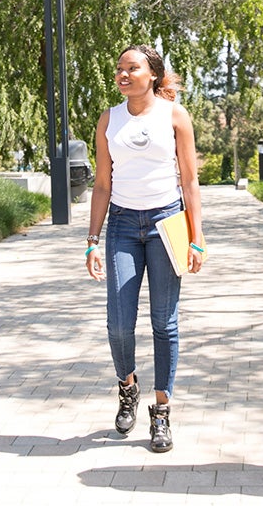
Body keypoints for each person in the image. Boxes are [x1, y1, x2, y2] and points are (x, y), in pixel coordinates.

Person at [85, 44, 205, 453]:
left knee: (163, 323)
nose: (122, 74)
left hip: (166, 222)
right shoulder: (108, 119)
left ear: (152, 73)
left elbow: (189, 180)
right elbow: (102, 183)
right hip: (121, 223)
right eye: (118, 68)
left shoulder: (174, 115)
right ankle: (127, 386)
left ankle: (162, 411)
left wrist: (196, 235)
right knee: (119, 322)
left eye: (131, 68)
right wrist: (92, 241)